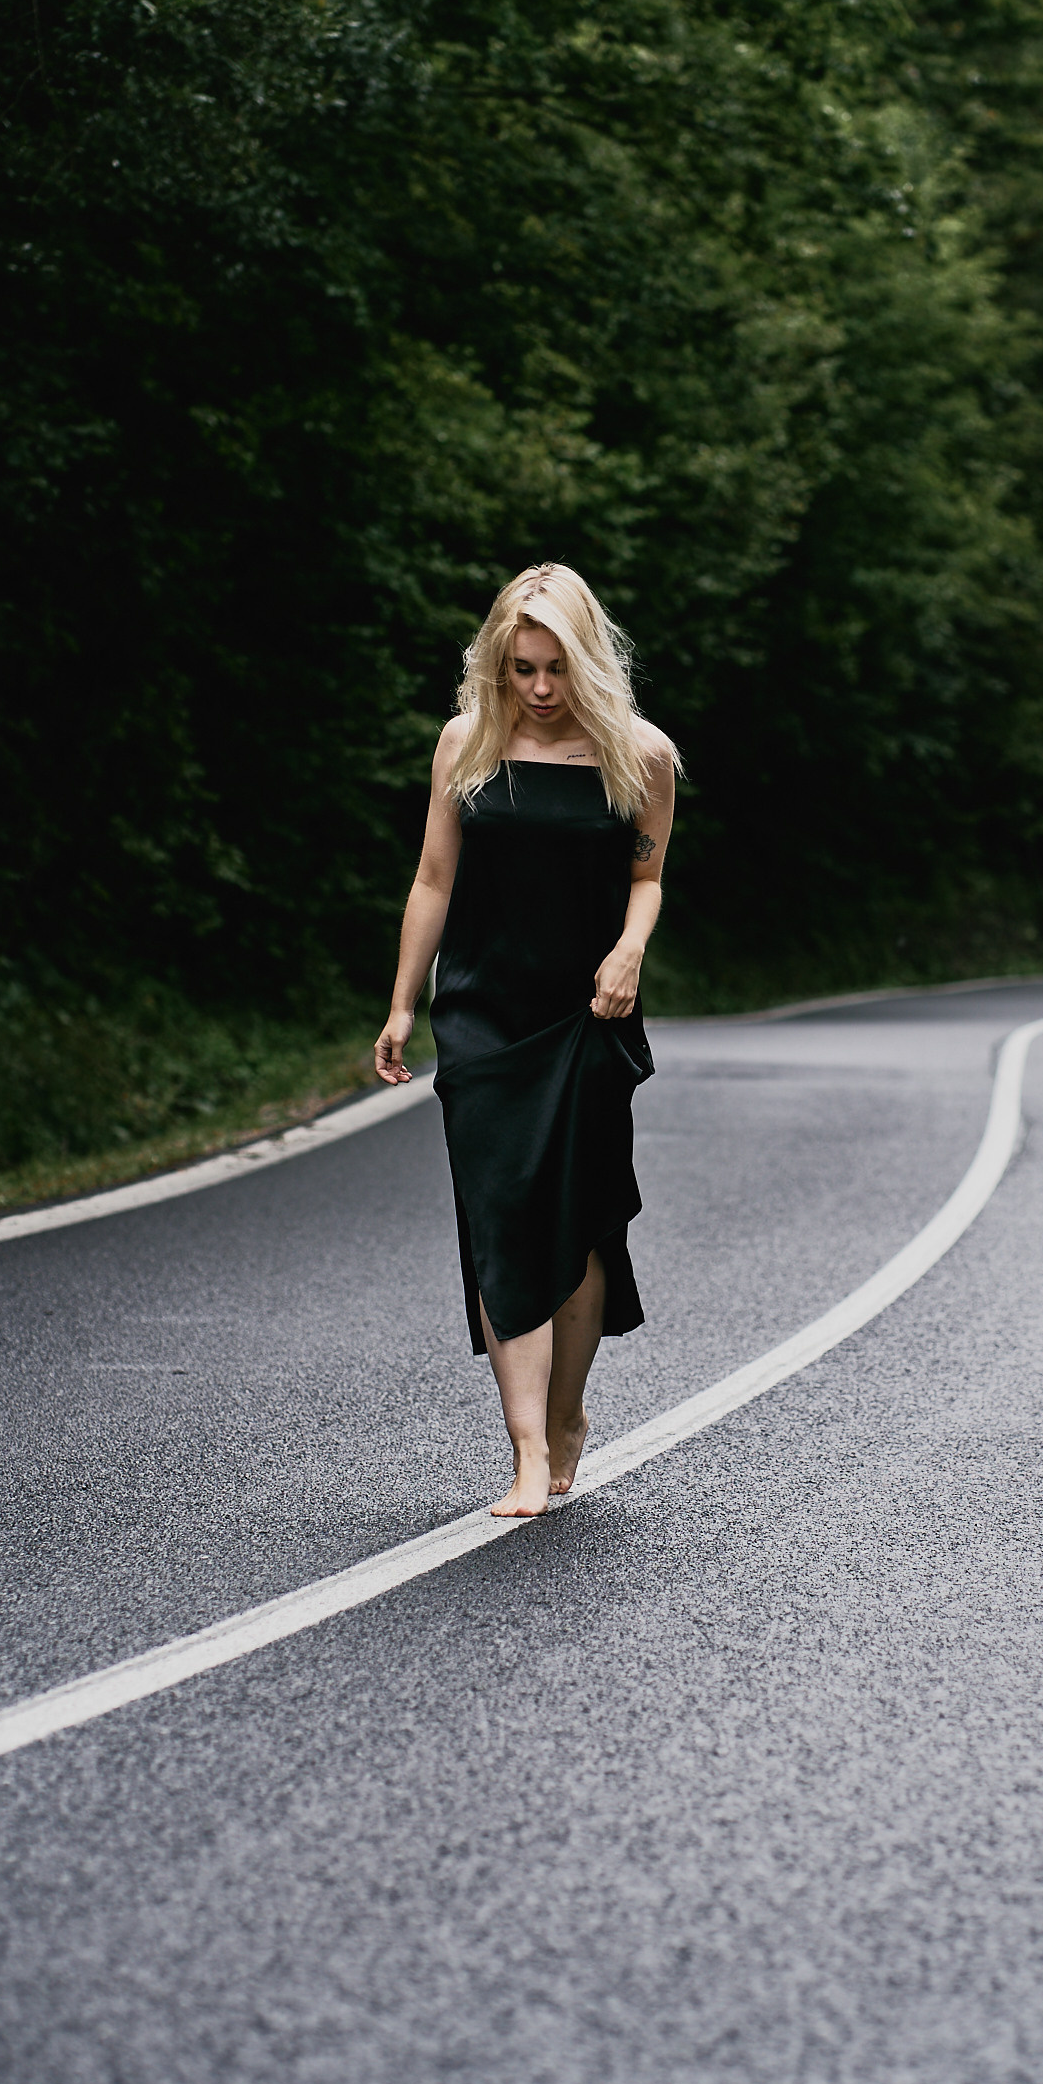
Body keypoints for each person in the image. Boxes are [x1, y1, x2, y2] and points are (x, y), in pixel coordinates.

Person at [375, 565, 679, 1518]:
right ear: (495, 666)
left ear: (585, 660)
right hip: (482, 1013)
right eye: (519, 670)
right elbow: (432, 877)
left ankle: (568, 1414)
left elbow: (648, 876)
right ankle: (523, 1451)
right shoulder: (468, 744)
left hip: (587, 1014)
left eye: (554, 668)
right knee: (500, 1217)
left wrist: (629, 952)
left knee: (580, 1227)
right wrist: (401, 1005)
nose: (539, 690)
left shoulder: (640, 755)